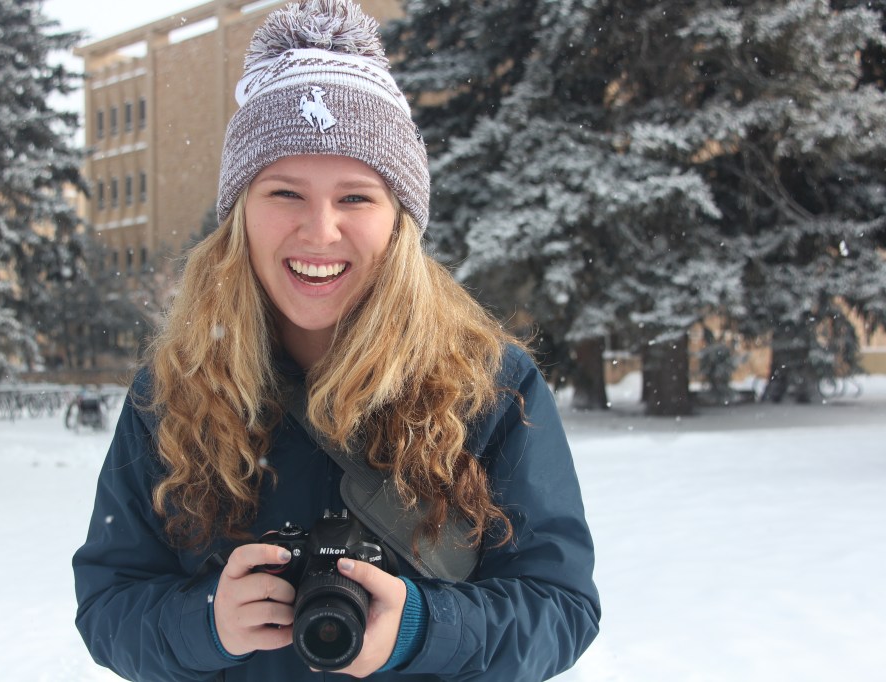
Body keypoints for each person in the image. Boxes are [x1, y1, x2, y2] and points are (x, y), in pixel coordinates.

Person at [72, 1, 600, 680]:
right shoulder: (173, 391)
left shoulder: (491, 386)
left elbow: (561, 607)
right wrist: (207, 624)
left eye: (356, 197)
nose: (320, 231)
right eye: (284, 193)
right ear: (239, 215)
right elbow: (109, 604)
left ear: (399, 222)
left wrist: (422, 629)